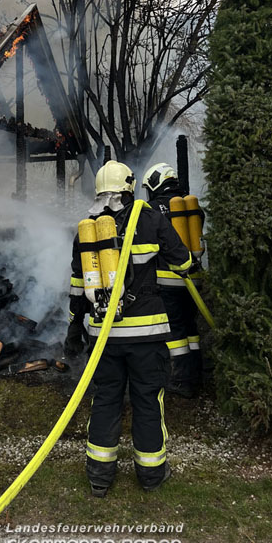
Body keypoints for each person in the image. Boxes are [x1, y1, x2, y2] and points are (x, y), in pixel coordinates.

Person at [64, 160, 191, 497]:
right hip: (146, 335)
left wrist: (73, 327)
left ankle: (99, 476)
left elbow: (78, 286)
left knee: (105, 398)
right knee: (147, 400)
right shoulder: (149, 218)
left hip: (103, 336)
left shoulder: (88, 229)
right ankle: (151, 475)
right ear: (130, 187)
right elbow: (182, 260)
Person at [142, 162, 204, 398]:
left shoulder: (151, 210)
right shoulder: (191, 206)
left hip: (168, 281)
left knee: (175, 331)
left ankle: (181, 380)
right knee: (191, 328)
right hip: (194, 280)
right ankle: (196, 372)